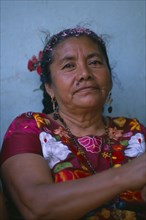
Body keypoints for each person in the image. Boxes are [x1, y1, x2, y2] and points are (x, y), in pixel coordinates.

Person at [0, 26, 146, 220]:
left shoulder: (134, 131)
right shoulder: (30, 128)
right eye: (69, 66)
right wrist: (124, 176)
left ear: (109, 79)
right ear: (50, 87)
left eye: (94, 62)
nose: (85, 73)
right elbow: (35, 207)